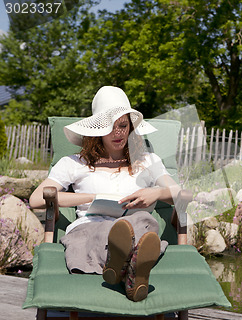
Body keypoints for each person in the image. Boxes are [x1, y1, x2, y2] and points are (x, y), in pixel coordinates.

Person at [29, 86, 184, 302]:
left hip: (135, 224)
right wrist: (91, 198)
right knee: (106, 230)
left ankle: (121, 265)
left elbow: (182, 194)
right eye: (110, 126)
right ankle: (130, 271)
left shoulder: (148, 160)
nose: (118, 132)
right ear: (97, 129)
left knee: (145, 223)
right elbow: (37, 199)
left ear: (130, 127)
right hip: (91, 226)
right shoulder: (74, 163)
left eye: (123, 125)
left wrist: (156, 193)